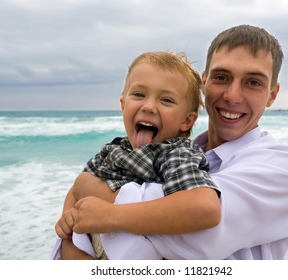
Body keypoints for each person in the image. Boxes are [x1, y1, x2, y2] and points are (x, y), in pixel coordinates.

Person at [69, 24, 288, 259]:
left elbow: (199, 238)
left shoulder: (283, 165)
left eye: (253, 82)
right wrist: (70, 238)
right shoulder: (164, 150)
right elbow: (72, 230)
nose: (232, 96)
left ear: (272, 94)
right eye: (222, 77)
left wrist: (90, 191)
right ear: (204, 82)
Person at [53, 51, 221, 259]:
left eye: (166, 100)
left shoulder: (175, 153)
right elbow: (77, 187)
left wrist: (109, 215)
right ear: (123, 104)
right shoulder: (113, 149)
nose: (149, 106)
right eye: (139, 95)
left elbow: (204, 208)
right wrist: (67, 218)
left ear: (187, 121)